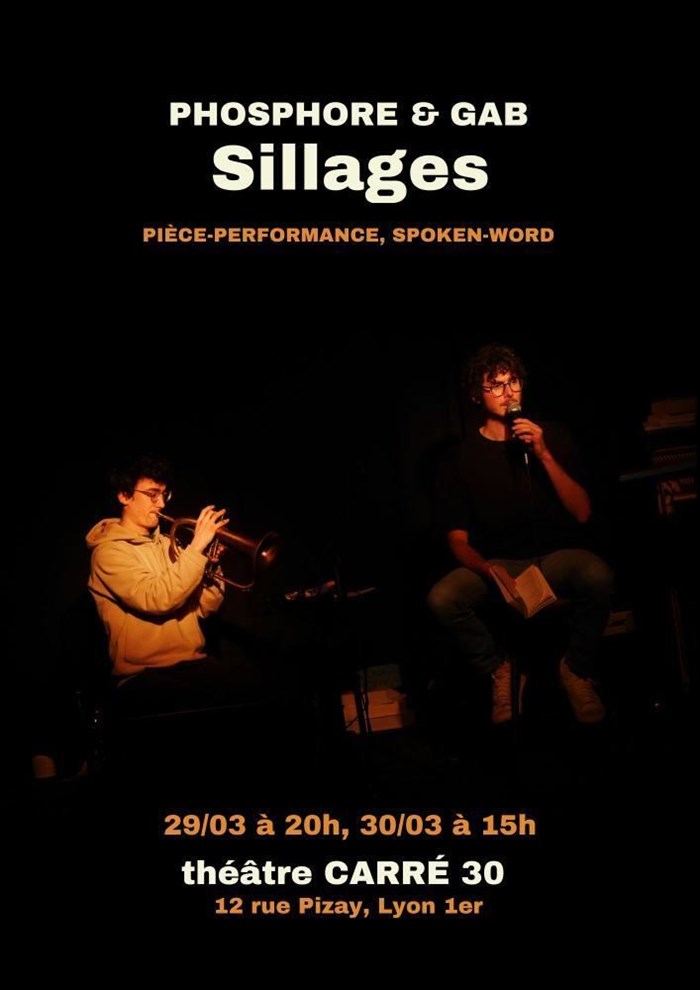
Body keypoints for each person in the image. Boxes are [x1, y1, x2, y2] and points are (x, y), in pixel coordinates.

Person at [427, 343, 614, 725]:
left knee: (597, 574)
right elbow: (457, 540)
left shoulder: (552, 436)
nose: (507, 391)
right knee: (443, 597)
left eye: (513, 382)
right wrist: (486, 569)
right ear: (476, 395)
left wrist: (544, 453)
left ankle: (575, 670)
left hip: (554, 557)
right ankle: (500, 670)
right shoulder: (461, 459)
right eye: (495, 385)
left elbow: (582, 512)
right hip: (499, 562)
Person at [86, 455, 235, 715]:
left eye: (164, 495)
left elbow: (206, 608)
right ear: (124, 495)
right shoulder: (108, 553)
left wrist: (210, 566)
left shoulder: (169, 543)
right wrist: (196, 549)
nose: (162, 503)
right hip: (143, 675)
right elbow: (156, 599)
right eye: (152, 494)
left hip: (193, 664)